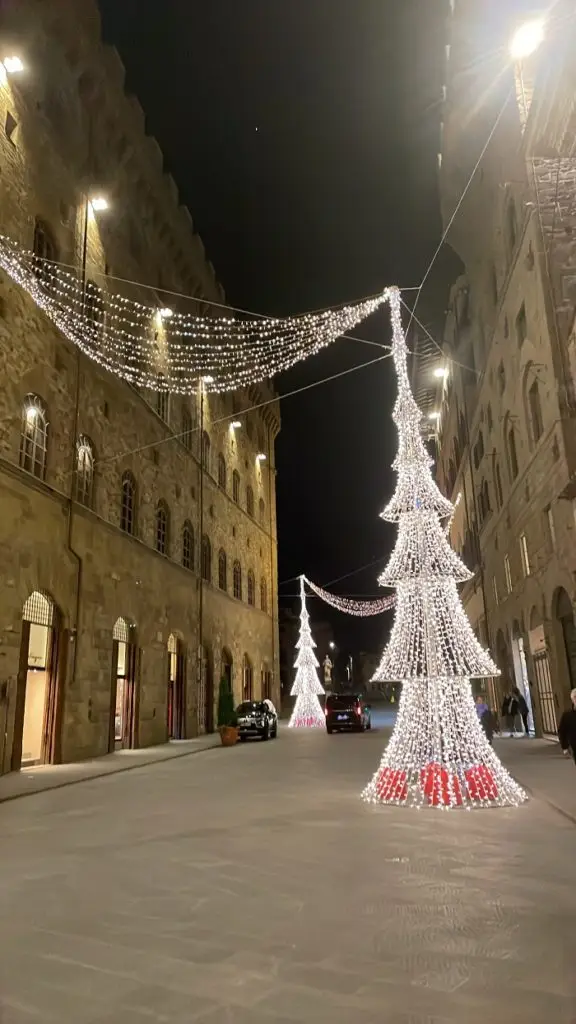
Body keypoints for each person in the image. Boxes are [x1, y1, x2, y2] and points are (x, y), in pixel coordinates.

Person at [558, 689, 576, 765]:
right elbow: (562, 731)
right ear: (572, 700)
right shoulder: (567, 716)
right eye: (575, 697)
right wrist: (564, 747)